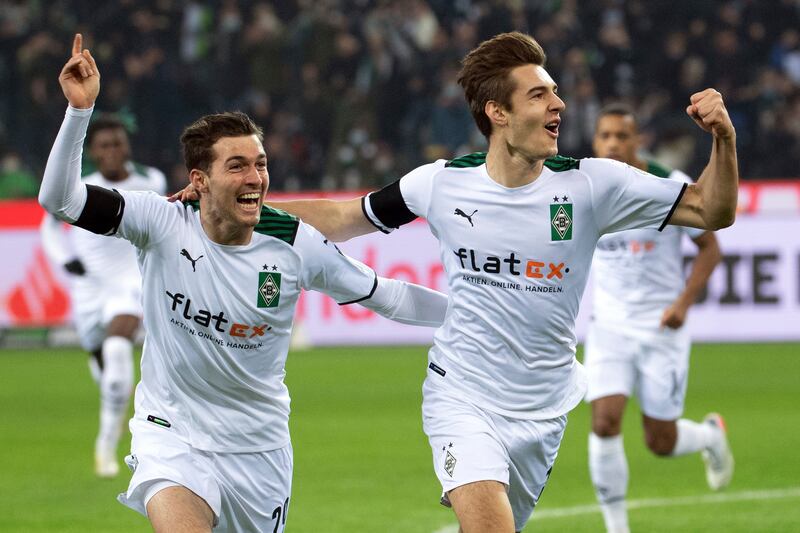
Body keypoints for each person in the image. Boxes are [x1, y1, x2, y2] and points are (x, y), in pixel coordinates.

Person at [176, 31, 739, 533]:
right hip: (461, 393)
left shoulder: (595, 185)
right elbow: (347, 218)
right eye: (539, 95)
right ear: (497, 111)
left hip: (542, 408)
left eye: (555, 92)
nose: (559, 104)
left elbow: (712, 212)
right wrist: (245, 202)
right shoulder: (441, 184)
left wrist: (723, 140)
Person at [40, 34, 448, 532]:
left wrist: (470, 315)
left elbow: (389, 295)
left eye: (260, 163)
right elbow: (60, 199)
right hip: (173, 437)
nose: (255, 177)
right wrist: (79, 112)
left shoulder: (296, 244)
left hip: (258, 449)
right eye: (237, 166)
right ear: (200, 179)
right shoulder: (161, 221)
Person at [585, 103, 729, 533]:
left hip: (661, 326)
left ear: (637, 141)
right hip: (608, 326)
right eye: (605, 135)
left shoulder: (668, 185)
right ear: (595, 141)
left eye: (621, 136)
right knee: (604, 420)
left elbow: (711, 248)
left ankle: (709, 436)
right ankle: (617, 528)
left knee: (659, 441)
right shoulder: (583, 189)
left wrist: (683, 303)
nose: (612, 143)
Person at [40, 113, 167, 478]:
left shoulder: (151, 179)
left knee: (116, 350)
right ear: (92, 152)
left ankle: (106, 449)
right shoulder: (79, 183)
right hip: (90, 289)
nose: (113, 151)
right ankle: (119, 410)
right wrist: (66, 261)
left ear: (128, 145)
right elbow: (48, 225)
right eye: (104, 145)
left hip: (131, 283)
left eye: (118, 143)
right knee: (108, 372)